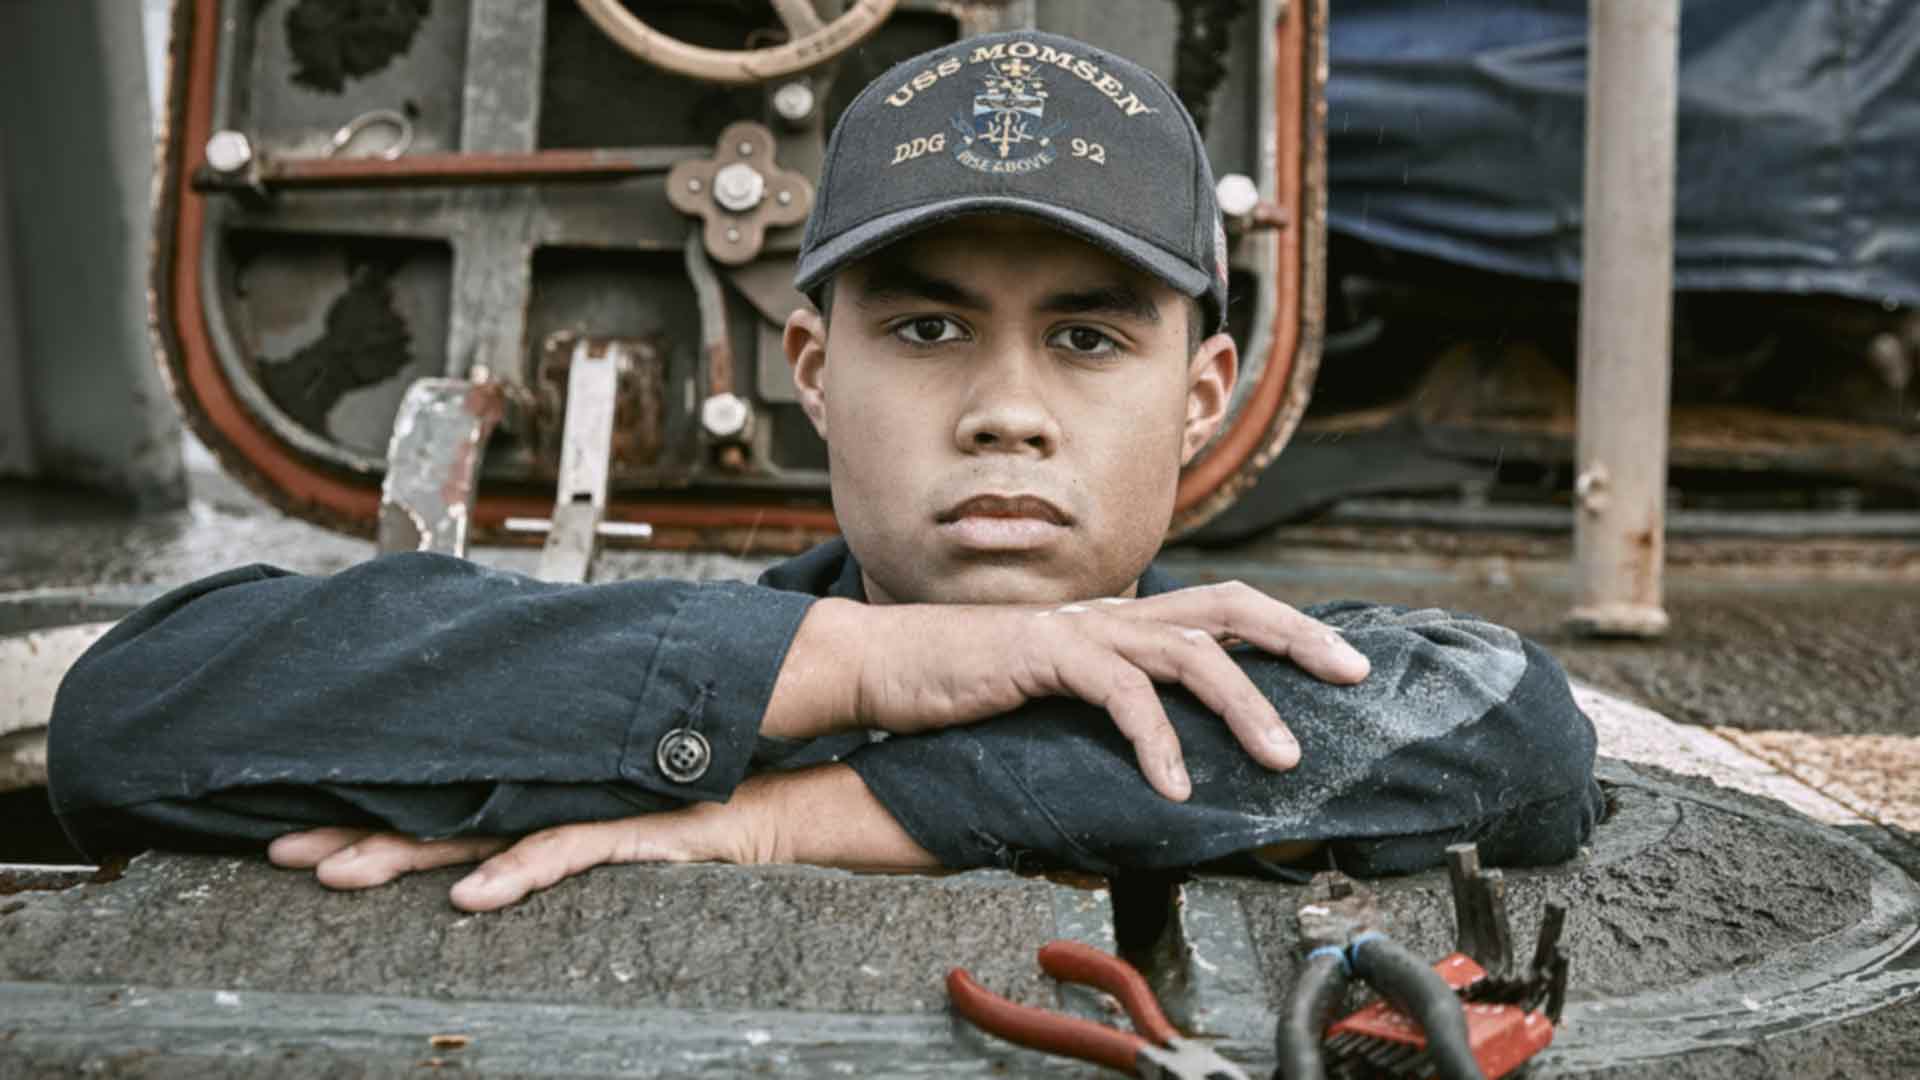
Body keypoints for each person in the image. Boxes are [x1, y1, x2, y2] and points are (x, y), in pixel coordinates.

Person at [47, 31, 1602, 913]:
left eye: (1084, 341)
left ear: (1204, 396)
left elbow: (1515, 728)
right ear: (810, 374)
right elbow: (135, 711)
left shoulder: (1300, 682)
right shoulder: (698, 658)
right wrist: (861, 665)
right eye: (926, 328)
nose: (1006, 412)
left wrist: (786, 821)